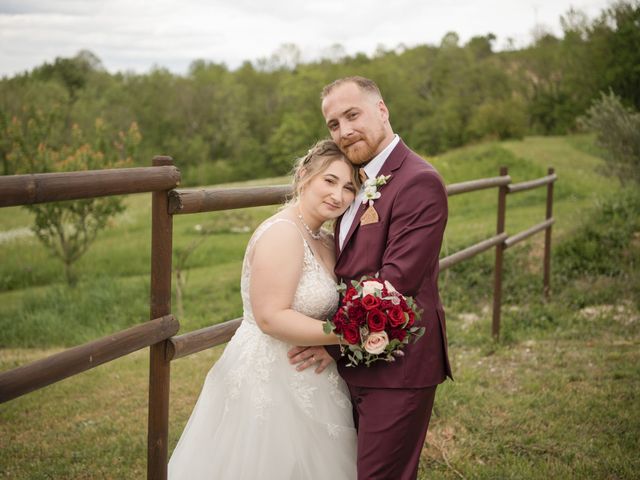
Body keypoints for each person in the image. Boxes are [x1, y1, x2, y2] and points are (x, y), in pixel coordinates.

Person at [289, 76, 452, 480]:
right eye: (333, 124)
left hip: (398, 367)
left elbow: (395, 284)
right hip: (353, 362)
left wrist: (330, 341)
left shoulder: (419, 181)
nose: (344, 130)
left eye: (352, 115)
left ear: (382, 110)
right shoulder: (351, 185)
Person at [168, 139, 359, 479]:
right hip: (270, 374)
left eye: (349, 188)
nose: (338, 195)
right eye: (329, 181)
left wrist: (332, 345)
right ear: (304, 176)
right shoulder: (283, 233)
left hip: (313, 371)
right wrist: (349, 335)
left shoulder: (326, 239)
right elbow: (271, 317)